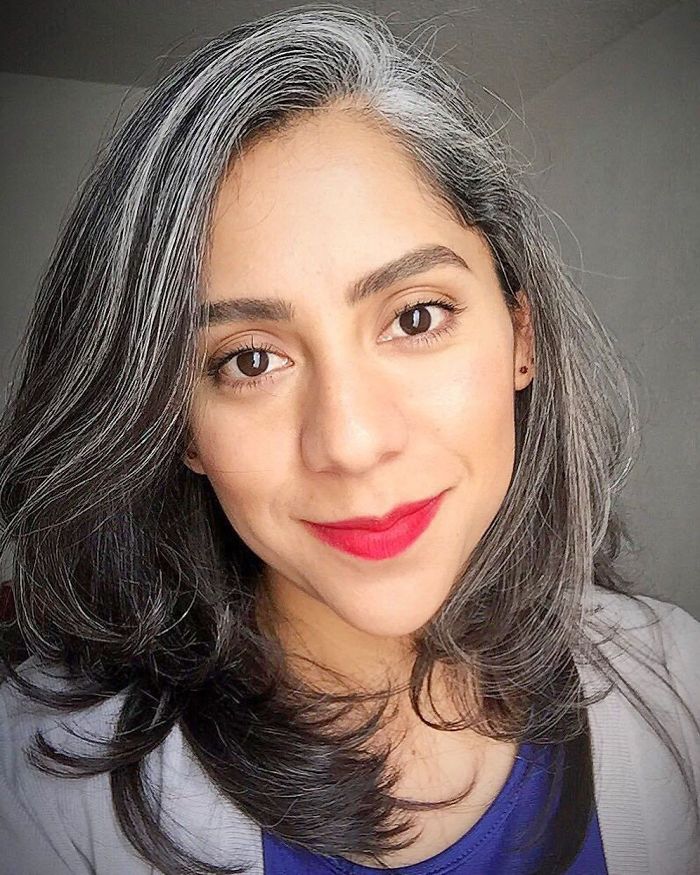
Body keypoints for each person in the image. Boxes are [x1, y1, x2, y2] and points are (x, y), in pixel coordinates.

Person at [0, 4, 698, 874]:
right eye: (250, 360)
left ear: (521, 335)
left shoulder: (682, 679)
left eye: (417, 316)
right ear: (178, 424)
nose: (353, 440)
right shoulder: (39, 792)